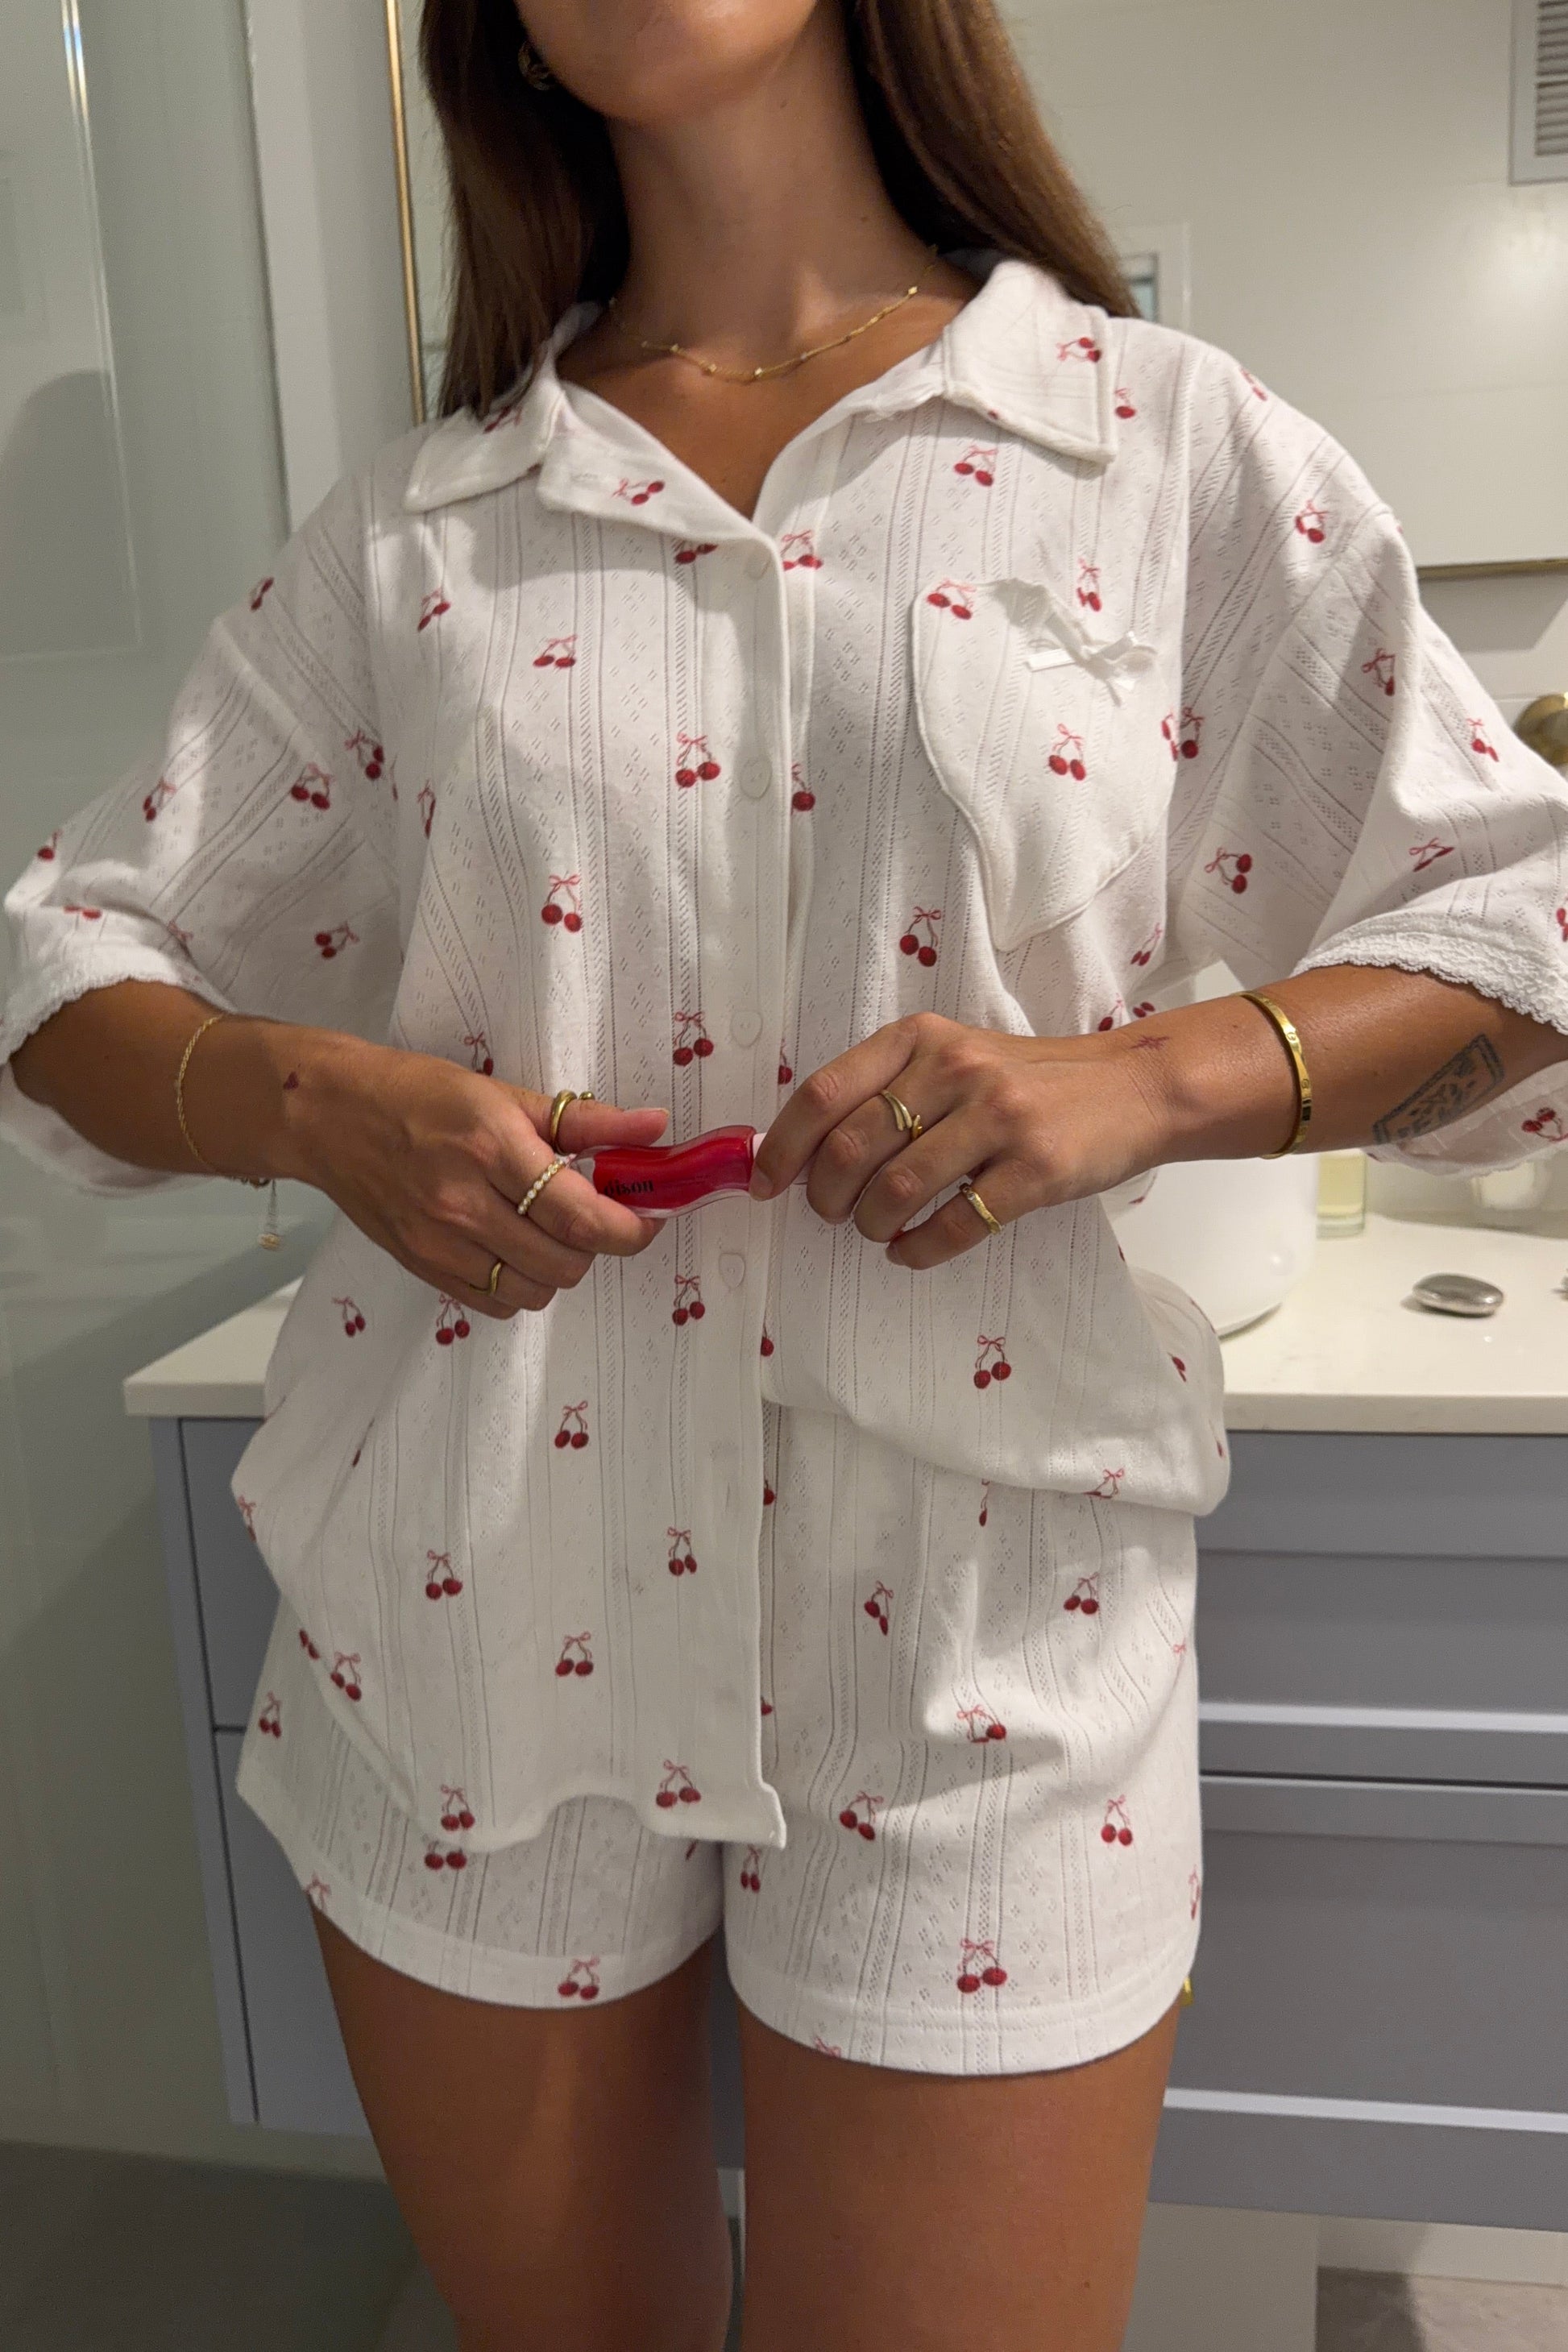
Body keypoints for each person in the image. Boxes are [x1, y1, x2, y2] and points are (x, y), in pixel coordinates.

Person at [4, 0, 1566, 2343]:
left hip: (977, 1647)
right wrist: (316, 1107)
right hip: (467, 1604)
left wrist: (1150, 1081)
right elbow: (62, 964)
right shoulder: (423, 526)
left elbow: (1523, 922)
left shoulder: (1155, 447)